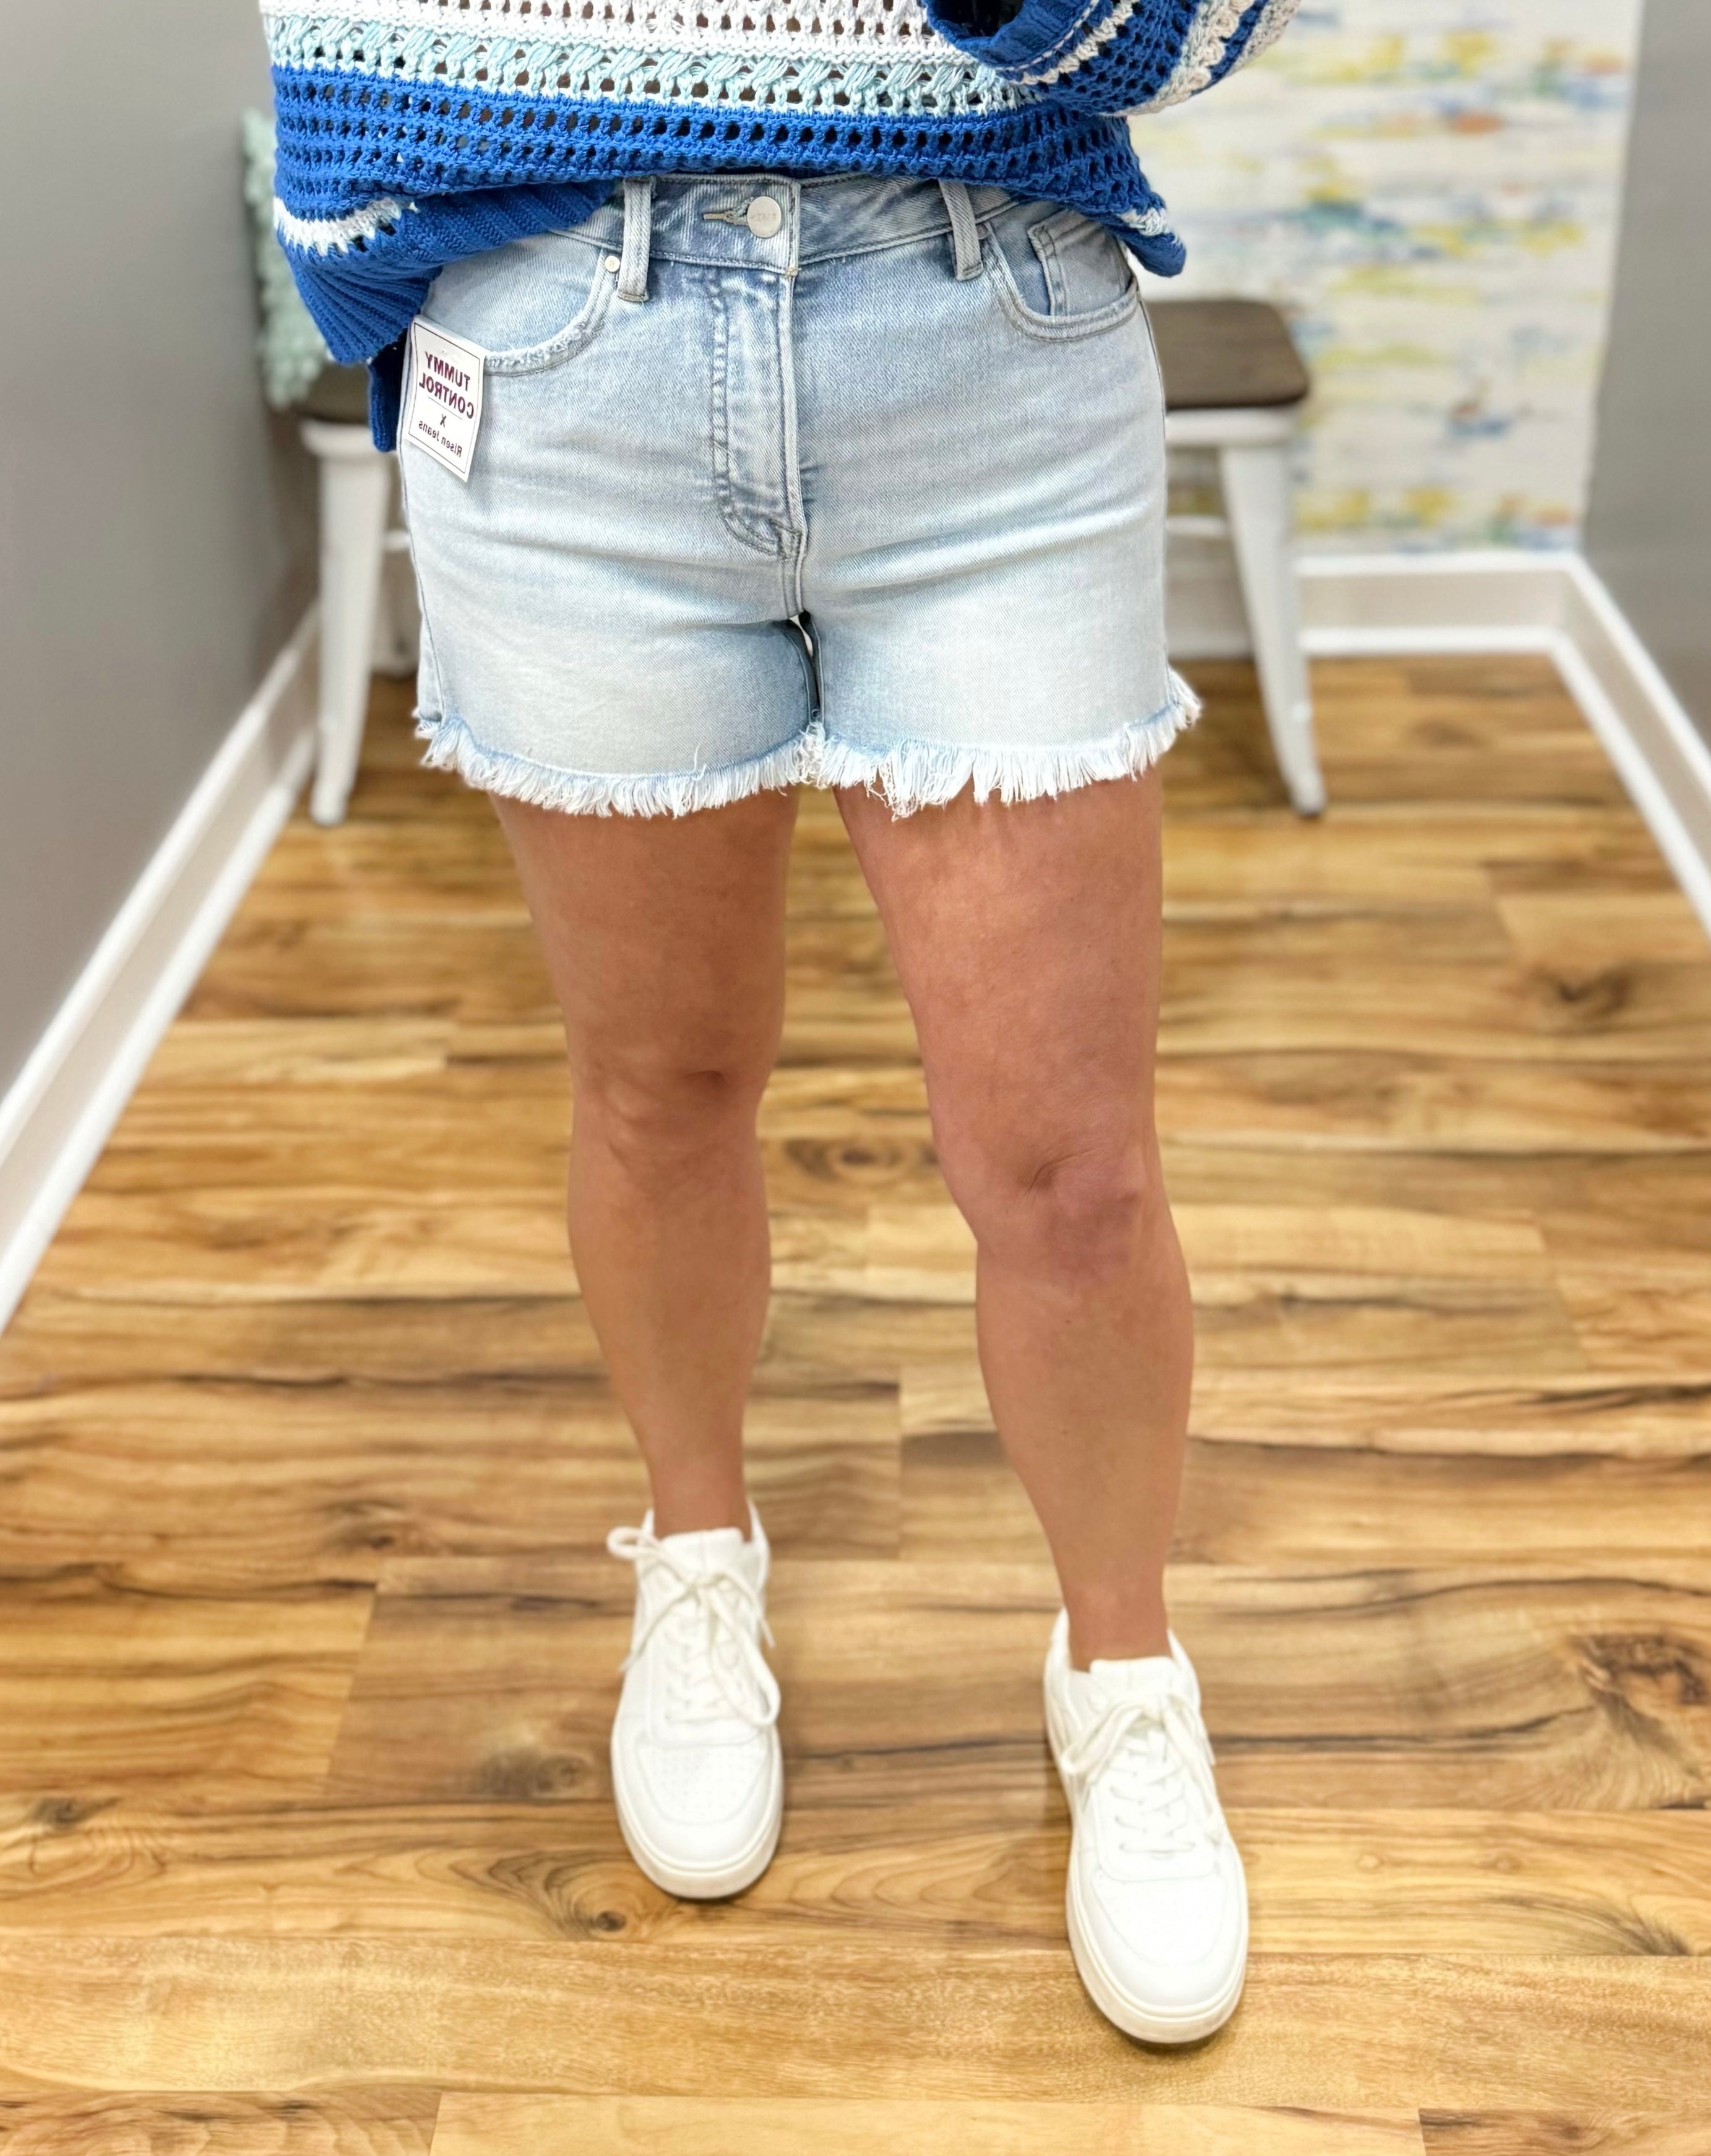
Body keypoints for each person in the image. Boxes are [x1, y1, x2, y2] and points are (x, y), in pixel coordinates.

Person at [266, 0, 1301, 2045]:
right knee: (658, 1083)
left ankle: (1121, 1669)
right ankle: (695, 1552)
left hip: (981, 339)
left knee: (1067, 1165)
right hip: (558, 350)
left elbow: (1192, 30)